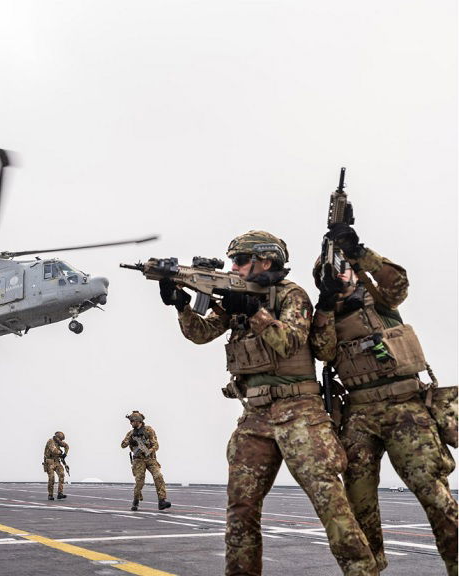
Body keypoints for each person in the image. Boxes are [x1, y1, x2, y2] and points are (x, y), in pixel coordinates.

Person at [160, 230, 377, 576]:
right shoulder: (235, 298)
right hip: (256, 415)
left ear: (265, 259)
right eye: (233, 260)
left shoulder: (293, 296)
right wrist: (182, 306)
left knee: (331, 505)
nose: (234, 266)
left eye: (241, 260)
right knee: (240, 511)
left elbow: (289, 343)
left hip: (301, 412)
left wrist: (254, 312)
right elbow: (201, 334)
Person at [310, 223, 458, 574]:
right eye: (332, 272)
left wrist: (359, 252)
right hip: (358, 414)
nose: (340, 275)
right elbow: (322, 349)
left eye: (344, 268)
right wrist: (327, 303)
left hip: (405, 406)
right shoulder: (325, 315)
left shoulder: (377, 298)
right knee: (358, 504)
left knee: (434, 494)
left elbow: (398, 284)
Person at [121, 411, 171, 511]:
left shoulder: (149, 430)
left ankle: (162, 501)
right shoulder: (131, 433)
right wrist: (130, 441)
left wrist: (148, 451)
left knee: (158, 476)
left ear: (137, 421)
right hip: (138, 460)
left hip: (150, 459)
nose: (130, 423)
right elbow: (123, 445)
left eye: (132, 421)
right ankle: (136, 501)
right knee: (139, 481)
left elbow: (156, 445)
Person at [43, 431, 69, 501]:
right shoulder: (50, 441)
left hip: (57, 461)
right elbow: (54, 450)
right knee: (52, 478)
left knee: (61, 475)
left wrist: (65, 454)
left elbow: (67, 446)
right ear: (57, 438)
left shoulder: (59, 442)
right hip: (50, 461)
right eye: (60, 439)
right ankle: (50, 495)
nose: (61, 441)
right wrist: (61, 452)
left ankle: (60, 493)